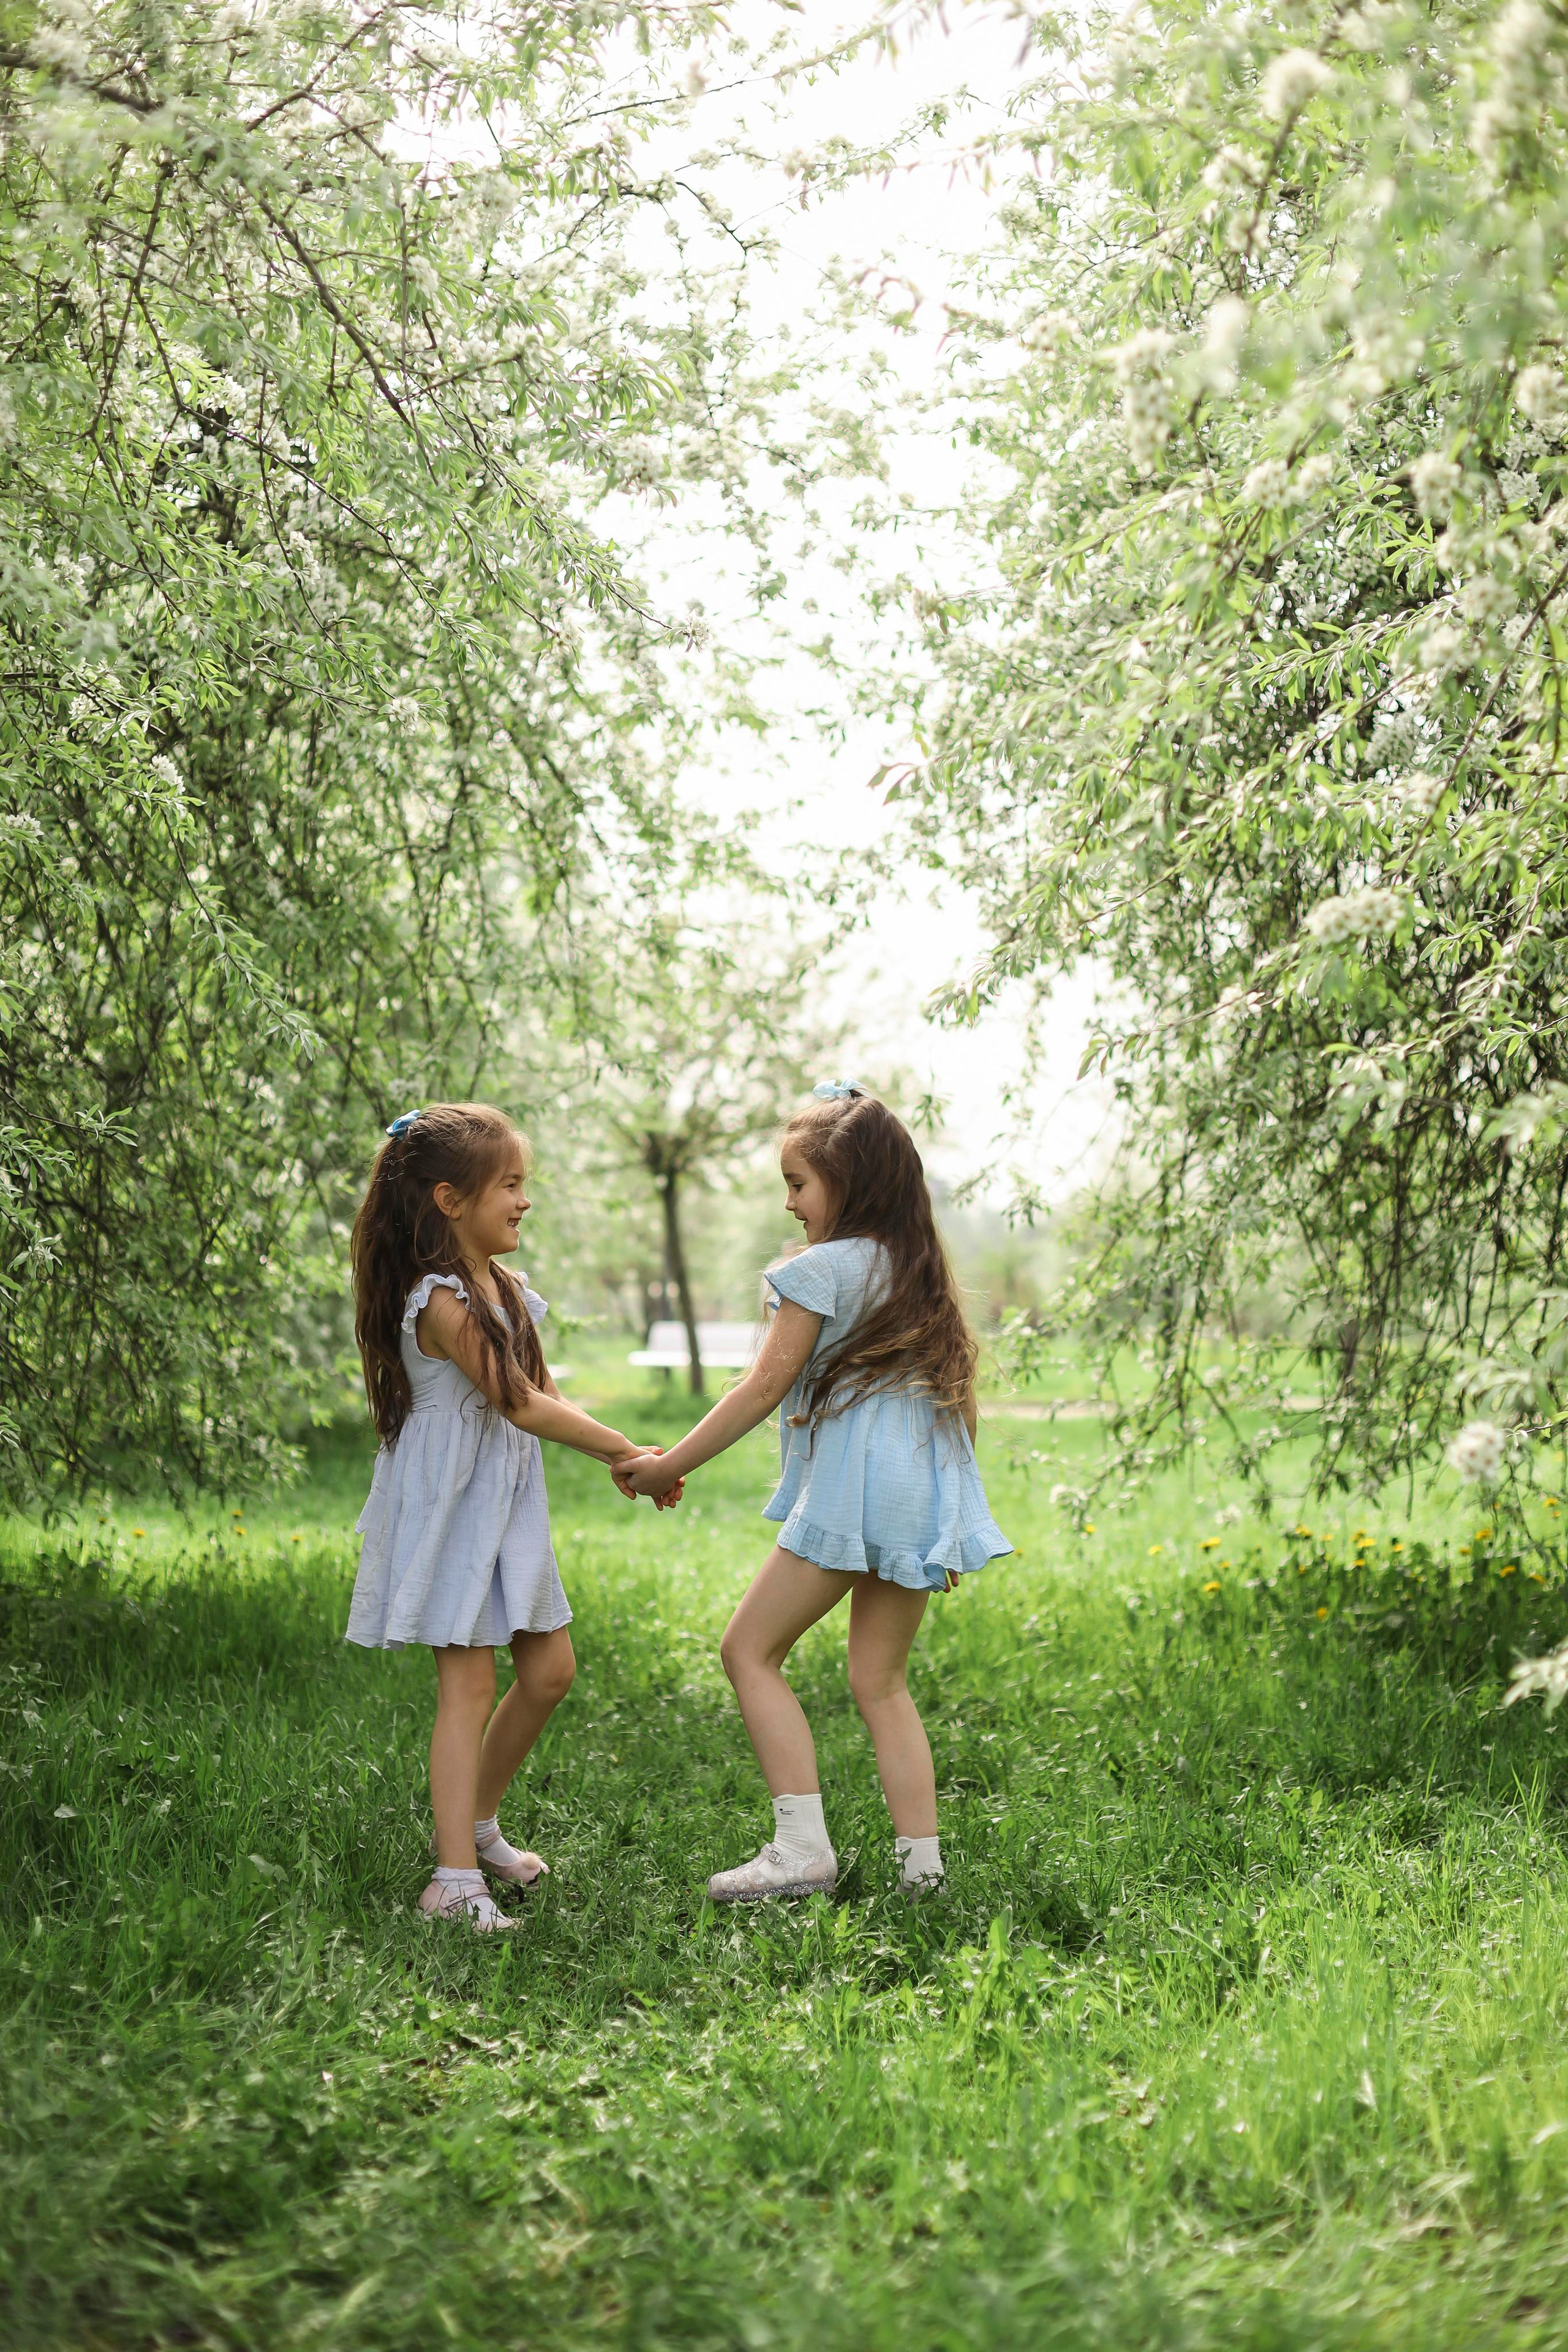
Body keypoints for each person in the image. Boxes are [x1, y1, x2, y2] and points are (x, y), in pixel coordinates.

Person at [622, 1081, 1010, 1902]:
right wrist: (947, 1526)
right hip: (913, 1498)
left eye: (799, 1183)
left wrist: (668, 1464)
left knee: (748, 1651)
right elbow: (957, 1405)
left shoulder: (821, 1270)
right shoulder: (917, 1271)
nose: (791, 1203)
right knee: (882, 1685)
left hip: (850, 1496)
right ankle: (923, 1876)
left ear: (851, 1183)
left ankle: (801, 1849)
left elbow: (762, 1387)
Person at [345, 1102, 677, 1930]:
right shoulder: (439, 1300)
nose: (526, 1200)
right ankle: (452, 1881)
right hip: (452, 1505)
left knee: (549, 1672)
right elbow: (519, 1404)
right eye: (511, 1185)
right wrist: (624, 1447)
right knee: (468, 1683)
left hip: (505, 1503)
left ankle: (478, 1825)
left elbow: (546, 1397)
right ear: (451, 1200)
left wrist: (624, 1460)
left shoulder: (508, 1288)